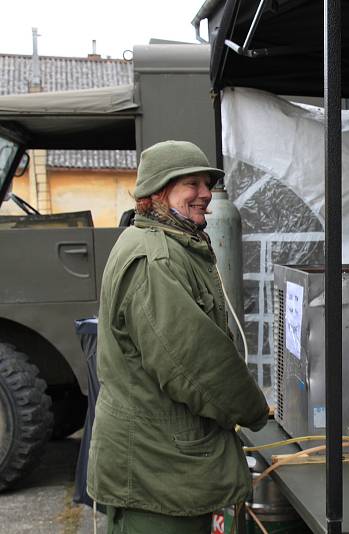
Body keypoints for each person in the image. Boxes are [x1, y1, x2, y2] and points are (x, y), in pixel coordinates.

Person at [88, 140, 269, 533]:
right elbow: (197, 367)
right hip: (156, 474)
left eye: (206, 184)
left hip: (167, 469)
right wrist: (256, 413)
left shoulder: (171, 245)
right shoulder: (157, 259)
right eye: (191, 184)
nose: (205, 194)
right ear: (156, 193)